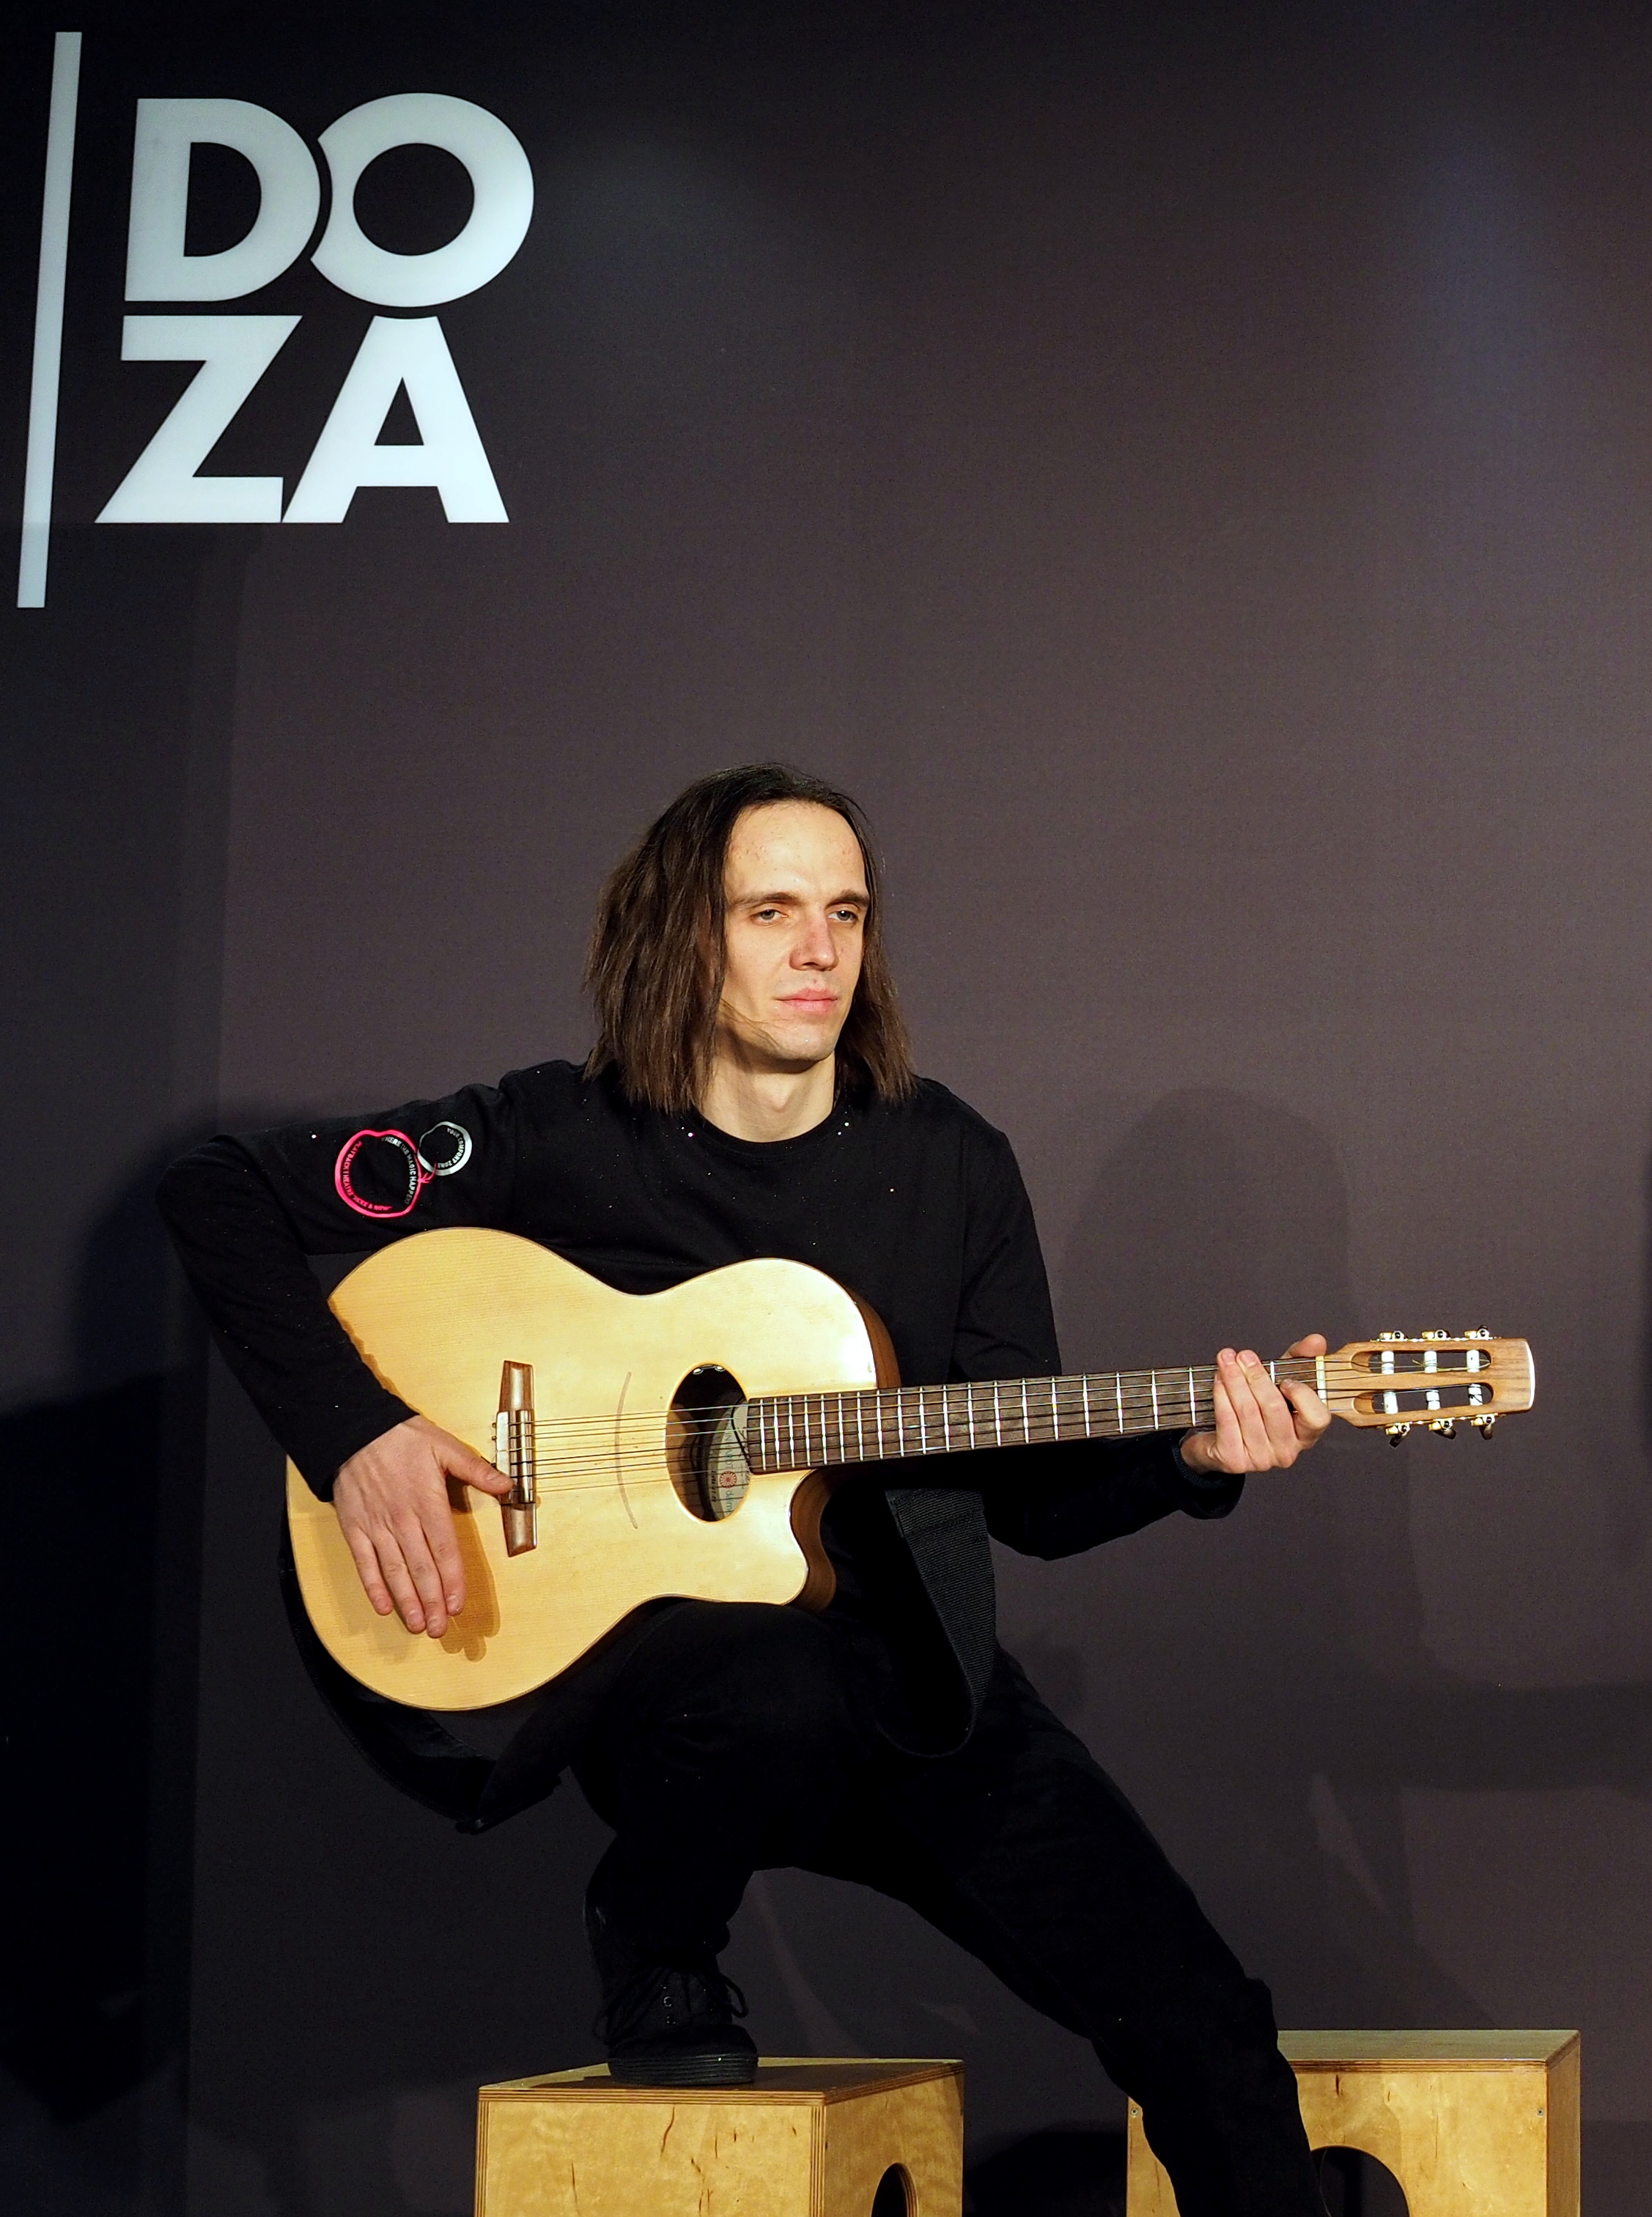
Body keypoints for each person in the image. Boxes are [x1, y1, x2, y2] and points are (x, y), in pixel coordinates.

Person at [160, 764, 1334, 2215]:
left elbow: (1026, 1501)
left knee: (1214, 2037)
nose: (818, 949)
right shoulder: (555, 1135)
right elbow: (219, 1192)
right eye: (770, 910)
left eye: (846, 911)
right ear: (682, 932)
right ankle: (655, 1934)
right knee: (776, 1679)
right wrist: (357, 1433)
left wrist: (1193, 1459)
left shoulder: (951, 1163)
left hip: (922, 1689)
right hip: (683, 1697)